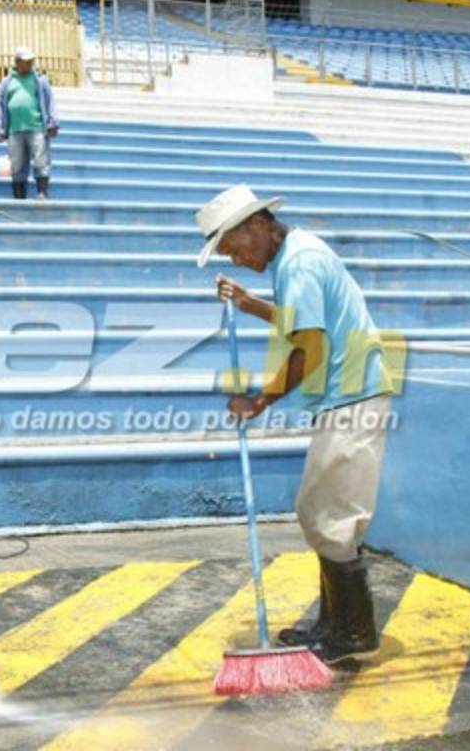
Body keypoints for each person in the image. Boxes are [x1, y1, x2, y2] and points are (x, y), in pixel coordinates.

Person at [196, 184, 394, 664]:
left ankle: (353, 632)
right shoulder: (296, 256)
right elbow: (301, 323)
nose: (237, 260)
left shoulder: (299, 263)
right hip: (345, 397)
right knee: (319, 512)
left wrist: (260, 400)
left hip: (353, 397)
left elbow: (312, 349)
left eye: (233, 248)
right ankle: (333, 625)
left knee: (331, 518)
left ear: (257, 225)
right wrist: (251, 305)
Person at [0, 46, 59, 200]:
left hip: (36, 127)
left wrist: (53, 123)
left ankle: (42, 192)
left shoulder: (40, 80)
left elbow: (50, 103)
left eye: (31, 61)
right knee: (17, 163)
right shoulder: (7, 82)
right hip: (15, 129)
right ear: (17, 62)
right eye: (26, 61)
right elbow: (0, 106)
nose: (29, 64)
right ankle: (19, 195)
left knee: (40, 161)